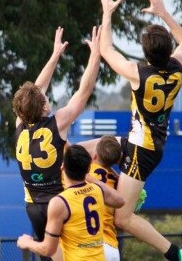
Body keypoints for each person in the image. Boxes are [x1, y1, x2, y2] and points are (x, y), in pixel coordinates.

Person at [98, 0, 182, 261]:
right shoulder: (177, 68)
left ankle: (174, 253)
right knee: (91, 149)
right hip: (146, 143)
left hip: (142, 150)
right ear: (167, 49)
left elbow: (105, 48)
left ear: (146, 53)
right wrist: (163, 12)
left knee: (122, 218)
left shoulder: (138, 73)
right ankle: (130, 188)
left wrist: (107, 12)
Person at [13, 26, 101, 261]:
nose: (47, 98)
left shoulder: (19, 124)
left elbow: (34, 90)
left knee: (48, 255)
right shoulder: (57, 123)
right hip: (59, 202)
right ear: (42, 106)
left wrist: (54, 56)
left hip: (33, 205)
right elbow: (85, 90)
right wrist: (95, 54)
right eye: (45, 99)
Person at [17, 144, 125, 260]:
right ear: (88, 169)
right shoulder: (97, 191)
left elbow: (48, 250)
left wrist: (27, 242)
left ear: (62, 167)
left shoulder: (60, 202)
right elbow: (120, 201)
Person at [87, 135, 122, 261]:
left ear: (95, 155)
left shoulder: (83, 173)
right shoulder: (118, 182)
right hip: (112, 247)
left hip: (91, 246)